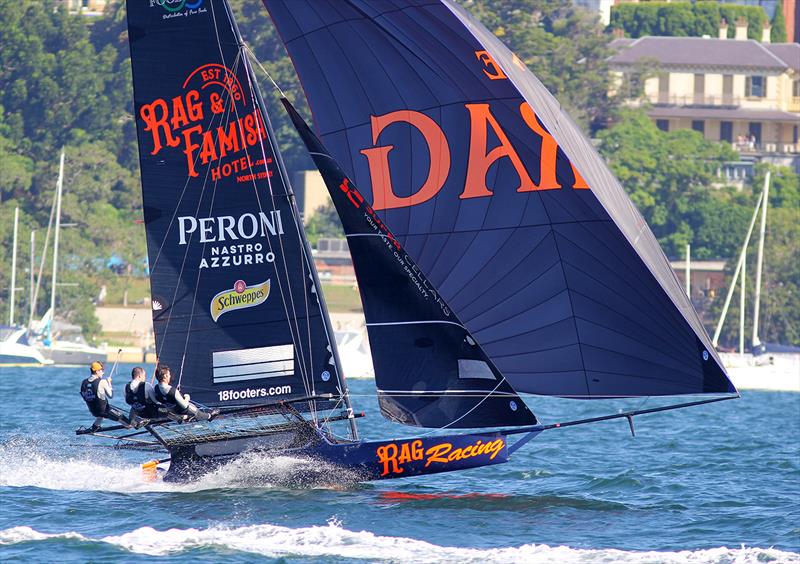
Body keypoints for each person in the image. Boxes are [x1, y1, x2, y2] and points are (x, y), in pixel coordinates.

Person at [153, 364, 218, 422]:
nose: (170, 376)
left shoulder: (156, 388)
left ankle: (183, 417)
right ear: (165, 376)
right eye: (169, 374)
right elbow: (185, 406)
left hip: (171, 412)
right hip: (180, 410)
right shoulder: (172, 391)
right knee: (191, 407)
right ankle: (210, 416)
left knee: (171, 409)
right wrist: (187, 398)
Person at [80, 361, 132, 431]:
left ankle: (95, 426)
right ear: (97, 371)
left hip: (93, 411)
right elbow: (111, 396)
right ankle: (132, 425)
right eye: (102, 370)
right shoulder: (102, 382)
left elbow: (85, 397)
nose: (103, 372)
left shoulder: (84, 383)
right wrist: (109, 383)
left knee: (100, 413)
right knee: (129, 423)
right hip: (105, 411)